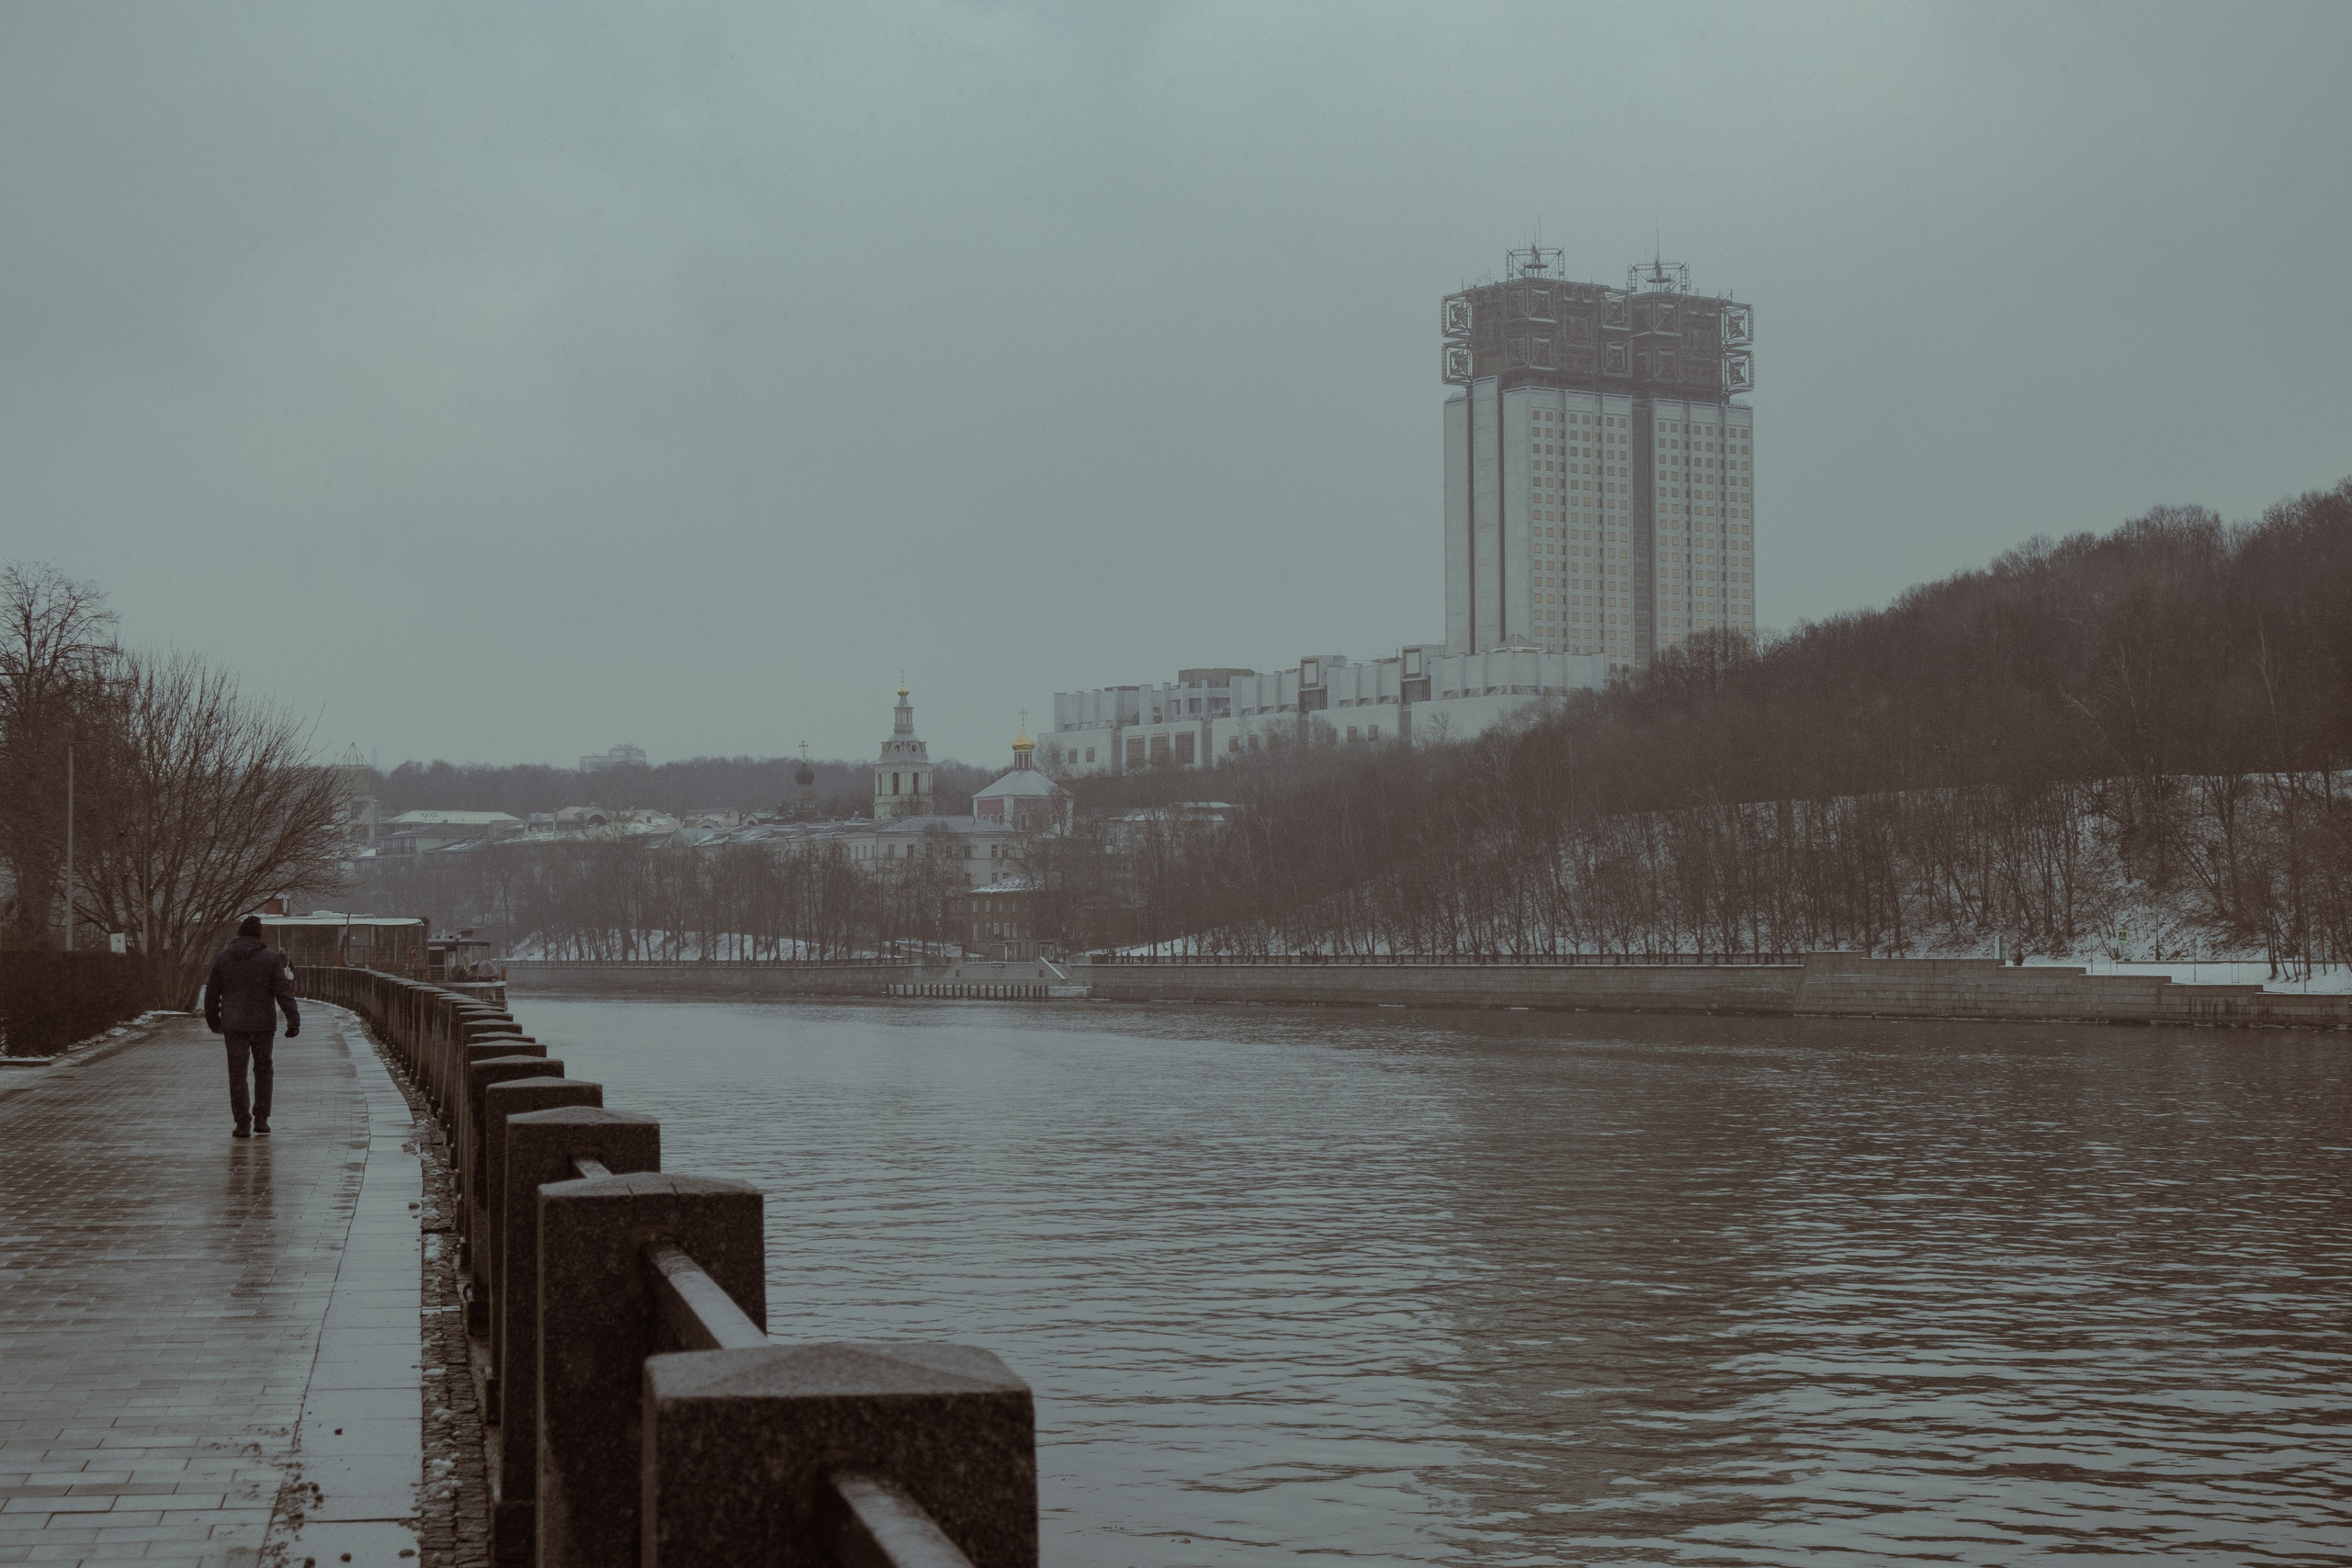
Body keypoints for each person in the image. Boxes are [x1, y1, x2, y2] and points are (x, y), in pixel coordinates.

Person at [204, 914, 300, 1139]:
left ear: (239, 934)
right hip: (263, 1023)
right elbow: (282, 991)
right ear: (259, 935)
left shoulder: (223, 958)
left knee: (237, 1073)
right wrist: (293, 1018)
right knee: (263, 1070)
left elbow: (212, 993)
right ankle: (262, 1119)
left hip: (233, 1023)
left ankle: (242, 1123)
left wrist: (213, 1020)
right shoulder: (270, 958)